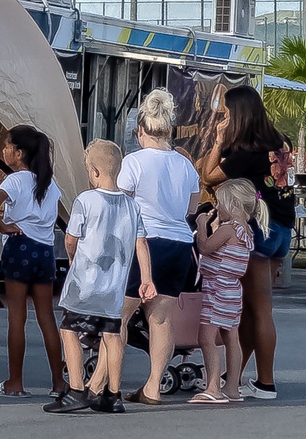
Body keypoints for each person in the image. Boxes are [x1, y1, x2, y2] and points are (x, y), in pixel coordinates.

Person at [199, 85, 295, 401]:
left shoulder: (246, 151)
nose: (222, 119)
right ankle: (237, 376)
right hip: (282, 229)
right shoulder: (278, 143)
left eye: (226, 114)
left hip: (259, 231)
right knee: (255, 310)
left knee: (259, 309)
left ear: (238, 115)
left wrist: (218, 139)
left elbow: (209, 175)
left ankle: (266, 383)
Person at [46, 140, 155, 415]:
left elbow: (71, 238)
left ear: (94, 172)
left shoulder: (85, 200)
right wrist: (146, 278)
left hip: (85, 282)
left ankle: (77, 389)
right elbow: (141, 243)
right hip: (115, 287)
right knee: (113, 335)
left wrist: (72, 257)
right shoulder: (132, 206)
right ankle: (112, 394)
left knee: (69, 330)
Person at [118, 89, 200, 406]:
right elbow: (191, 210)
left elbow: (120, 204)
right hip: (179, 244)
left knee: (120, 317)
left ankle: (107, 382)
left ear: (140, 130)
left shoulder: (133, 162)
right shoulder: (186, 166)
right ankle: (153, 386)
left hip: (144, 243)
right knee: (161, 319)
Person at [0, 125, 67, 398]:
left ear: (18, 154)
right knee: (46, 318)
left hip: (19, 248)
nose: (4, 151)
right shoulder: (50, 184)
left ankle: (15, 382)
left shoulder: (15, 180)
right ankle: (58, 383)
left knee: (16, 319)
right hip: (45, 253)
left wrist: (5, 226)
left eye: (7, 146)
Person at [190, 179, 265, 406]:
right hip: (232, 290)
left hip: (217, 289)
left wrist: (202, 224)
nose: (216, 208)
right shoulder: (245, 231)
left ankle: (213, 387)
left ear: (233, 205)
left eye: (220, 203)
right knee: (231, 337)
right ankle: (232, 386)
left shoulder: (228, 229)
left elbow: (204, 247)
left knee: (206, 338)